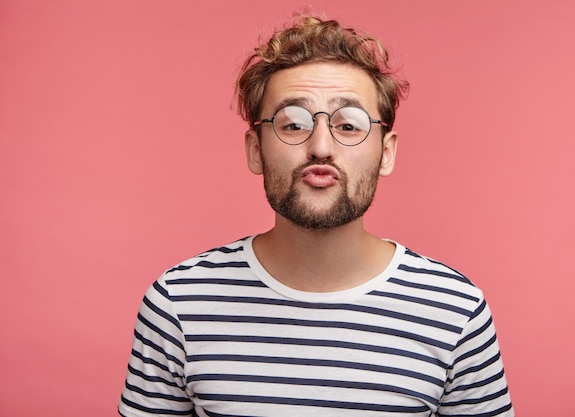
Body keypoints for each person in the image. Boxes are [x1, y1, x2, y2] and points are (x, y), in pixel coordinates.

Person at [119, 12, 514, 417]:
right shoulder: (179, 304)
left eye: (349, 124)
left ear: (387, 152)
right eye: (293, 124)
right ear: (255, 150)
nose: (321, 146)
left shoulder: (455, 310)